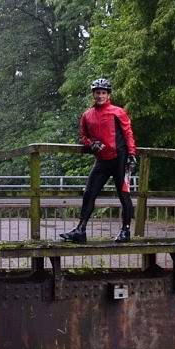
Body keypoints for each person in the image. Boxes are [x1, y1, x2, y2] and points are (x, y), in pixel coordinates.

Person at [60, 77, 137, 243]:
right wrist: (91, 143)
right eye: (97, 93)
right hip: (102, 160)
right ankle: (80, 230)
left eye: (103, 93)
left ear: (108, 95)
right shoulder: (87, 115)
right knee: (89, 193)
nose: (100, 96)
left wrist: (132, 154)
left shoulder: (118, 112)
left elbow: (128, 132)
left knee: (124, 196)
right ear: (93, 94)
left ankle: (126, 231)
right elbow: (83, 137)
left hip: (120, 159)